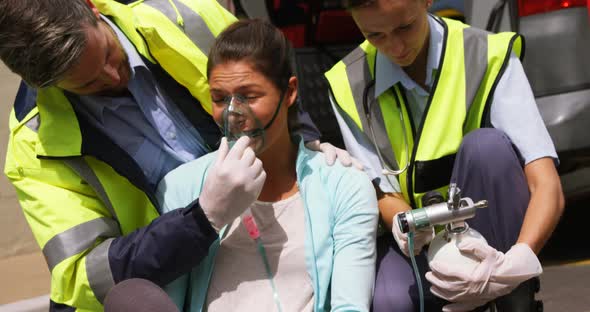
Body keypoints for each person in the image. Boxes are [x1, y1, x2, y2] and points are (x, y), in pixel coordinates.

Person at [0, 0, 356, 310]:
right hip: (166, 281)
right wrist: (201, 220)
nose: (113, 76)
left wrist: (305, 142)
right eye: (89, 84)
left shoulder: (185, 14)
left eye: (108, 54)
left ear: (92, 9)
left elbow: (267, 75)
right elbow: (87, 277)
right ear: (48, 87)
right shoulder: (35, 148)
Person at [324, 0, 565, 311]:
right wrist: (405, 224)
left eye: (405, 27)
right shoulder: (347, 82)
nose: (396, 47)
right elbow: (380, 190)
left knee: (486, 148)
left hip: (495, 239)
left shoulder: (488, 54)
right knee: (391, 300)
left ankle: (514, 301)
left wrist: (519, 258)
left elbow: (546, 185)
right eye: (375, 36)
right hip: (418, 243)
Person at [155, 19, 379, 311]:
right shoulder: (180, 188)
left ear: (289, 92)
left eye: (249, 96)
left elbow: (350, 306)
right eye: (219, 98)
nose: (233, 114)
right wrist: (206, 214)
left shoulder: (344, 185)